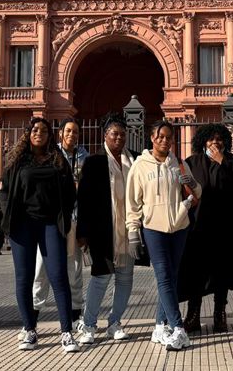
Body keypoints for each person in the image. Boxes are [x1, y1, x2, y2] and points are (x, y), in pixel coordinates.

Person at [0, 117, 80, 353]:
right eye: (35, 130)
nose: (39, 133)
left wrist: (62, 215)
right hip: (22, 225)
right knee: (24, 279)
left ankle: (66, 332)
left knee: (59, 276)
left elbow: (70, 193)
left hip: (50, 224)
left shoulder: (57, 160)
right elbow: (3, 191)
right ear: (28, 133)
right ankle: (29, 329)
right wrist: (8, 215)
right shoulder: (17, 161)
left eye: (44, 130)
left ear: (49, 135)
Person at [126, 121, 202, 351]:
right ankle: (178, 328)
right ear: (151, 138)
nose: (165, 141)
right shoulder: (140, 166)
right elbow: (133, 201)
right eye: (160, 137)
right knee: (164, 277)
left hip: (179, 226)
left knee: (172, 276)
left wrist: (191, 187)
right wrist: (132, 231)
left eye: (169, 137)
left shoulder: (177, 164)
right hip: (153, 228)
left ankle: (160, 325)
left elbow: (198, 192)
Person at [179, 123, 233, 335]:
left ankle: (220, 313)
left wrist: (223, 162)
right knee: (196, 270)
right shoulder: (193, 162)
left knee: (223, 268)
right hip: (199, 224)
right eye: (211, 139)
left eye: (219, 139)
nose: (215, 143)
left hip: (226, 224)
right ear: (203, 141)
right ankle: (193, 315)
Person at [75, 116, 138, 344]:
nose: (119, 138)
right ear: (105, 135)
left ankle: (115, 322)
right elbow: (83, 199)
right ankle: (89, 324)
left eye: (122, 134)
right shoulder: (94, 162)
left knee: (125, 278)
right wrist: (83, 232)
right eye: (114, 134)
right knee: (100, 277)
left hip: (128, 229)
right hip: (103, 230)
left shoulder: (134, 159)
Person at [32, 118, 88, 327]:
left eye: (75, 132)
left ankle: (74, 319)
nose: (72, 135)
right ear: (61, 133)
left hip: (73, 220)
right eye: (68, 131)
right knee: (41, 270)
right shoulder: (50, 155)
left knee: (74, 271)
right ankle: (31, 319)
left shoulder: (84, 157)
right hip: (50, 221)